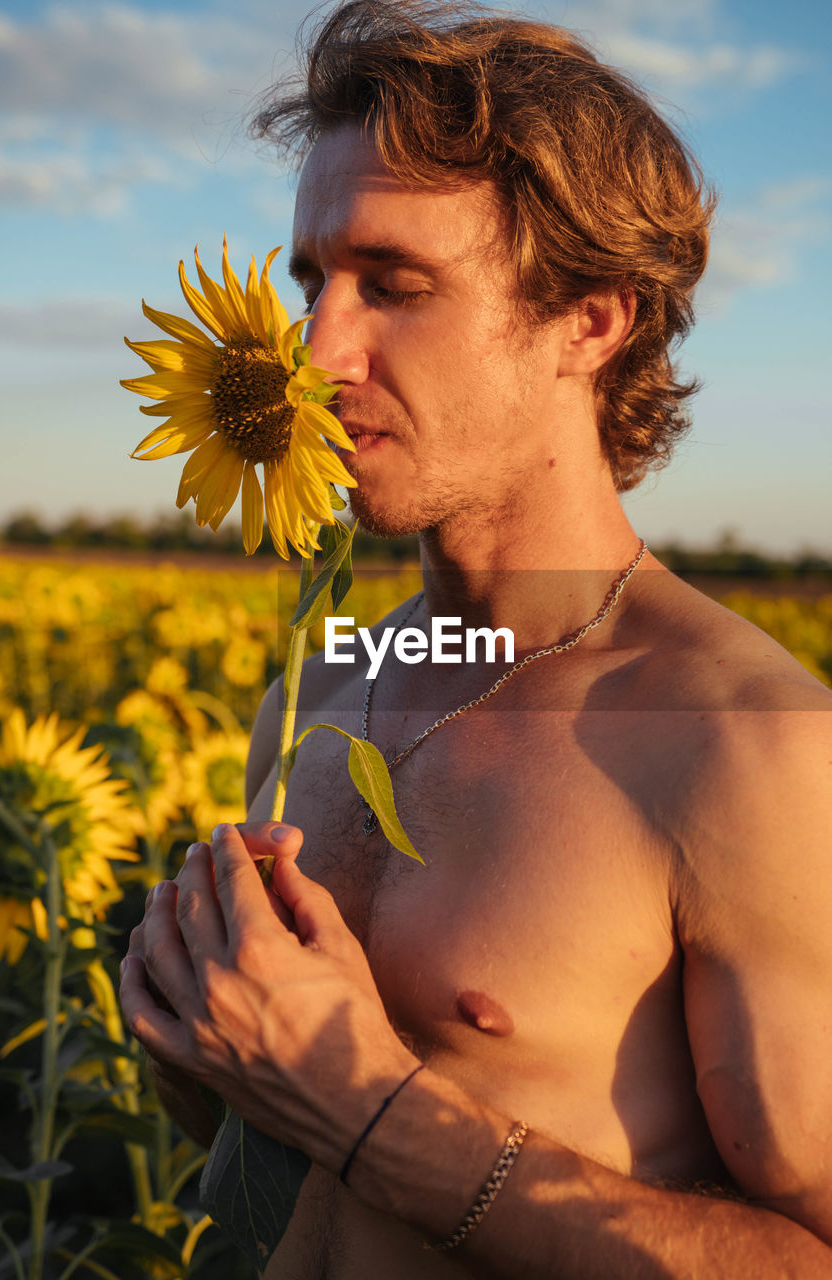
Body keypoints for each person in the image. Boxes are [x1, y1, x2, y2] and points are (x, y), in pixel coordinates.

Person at [119, 3, 832, 1276]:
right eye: (312, 283)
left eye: (392, 286)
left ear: (591, 321)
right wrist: (200, 1044)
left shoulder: (738, 740)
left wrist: (374, 1111)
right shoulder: (322, 684)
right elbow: (277, 1156)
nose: (316, 350)